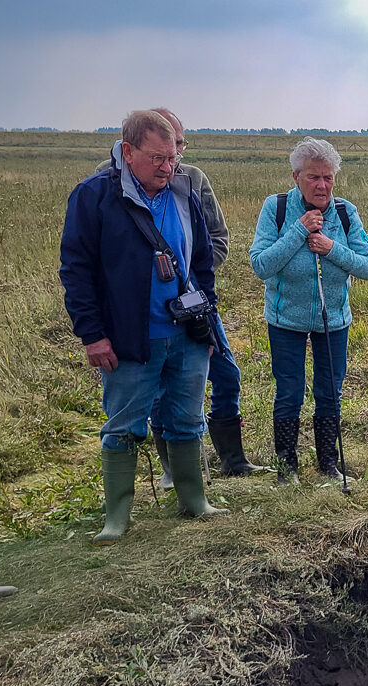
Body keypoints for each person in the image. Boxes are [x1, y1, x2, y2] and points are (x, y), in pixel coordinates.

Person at [60, 110, 227, 545]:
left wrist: (205, 317)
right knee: (123, 426)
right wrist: (92, 335)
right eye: (157, 158)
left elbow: (204, 261)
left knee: (187, 419)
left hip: (186, 335)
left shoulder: (184, 191)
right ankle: (117, 517)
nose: (168, 167)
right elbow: (76, 271)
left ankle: (194, 501)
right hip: (128, 339)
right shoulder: (93, 196)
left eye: (173, 158)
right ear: (128, 151)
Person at [97, 107, 261, 487]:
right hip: (142, 317)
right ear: (133, 151)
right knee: (155, 395)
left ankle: (231, 461)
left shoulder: (193, 181)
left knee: (227, 375)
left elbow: (215, 239)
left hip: (195, 305)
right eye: (164, 155)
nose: (173, 163)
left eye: (179, 151)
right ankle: (172, 473)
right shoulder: (105, 187)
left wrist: (189, 278)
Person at [250, 137, 368, 483]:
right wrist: (299, 230)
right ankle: (286, 467)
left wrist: (331, 247)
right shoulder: (275, 209)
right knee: (289, 391)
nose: (322, 185)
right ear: (296, 177)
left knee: (329, 392)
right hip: (285, 319)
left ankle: (328, 465)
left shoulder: (344, 213)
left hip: (334, 319)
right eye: (313, 177)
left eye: (328, 177)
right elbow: (261, 264)